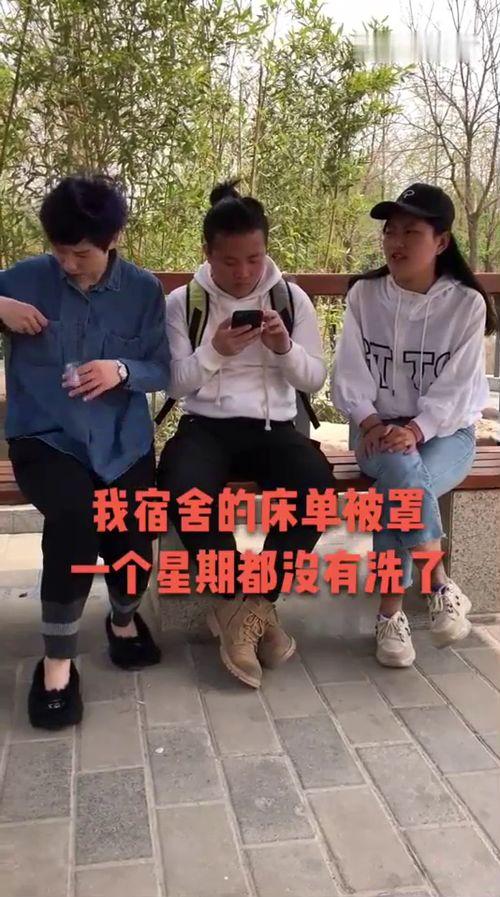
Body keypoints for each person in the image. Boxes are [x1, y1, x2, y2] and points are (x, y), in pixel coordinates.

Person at [0, 174, 170, 728]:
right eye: (59, 250)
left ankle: (122, 619)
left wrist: (121, 369)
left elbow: (164, 368)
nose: (68, 264)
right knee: (75, 521)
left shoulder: (142, 291)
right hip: (46, 438)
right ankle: (56, 664)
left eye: (81, 253)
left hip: (122, 441)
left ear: (113, 238)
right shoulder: (24, 280)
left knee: (134, 532)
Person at [157, 180, 332, 688]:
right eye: (230, 261)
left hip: (274, 428)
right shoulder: (184, 302)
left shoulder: (291, 299)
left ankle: (248, 606)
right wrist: (215, 351)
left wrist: (283, 348)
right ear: (207, 253)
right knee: (184, 492)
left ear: (266, 250)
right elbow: (174, 383)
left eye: (254, 259)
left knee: (316, 490)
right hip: (205, 426)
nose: (243, 273)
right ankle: (244, 608)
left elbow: (314, 379)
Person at [332, 183, 496, 667]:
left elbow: (459, 388)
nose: (396, 242)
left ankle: (390, 616)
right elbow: (349, 371)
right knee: (401, 470)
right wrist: (371, 422)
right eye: (390, 231)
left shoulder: (466, 304)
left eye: (411, 232)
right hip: (373, 428)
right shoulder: (365, 295)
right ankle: (438, 584)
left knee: (398, 483)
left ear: (441, 242)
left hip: (447, 433)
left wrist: (419, 430)